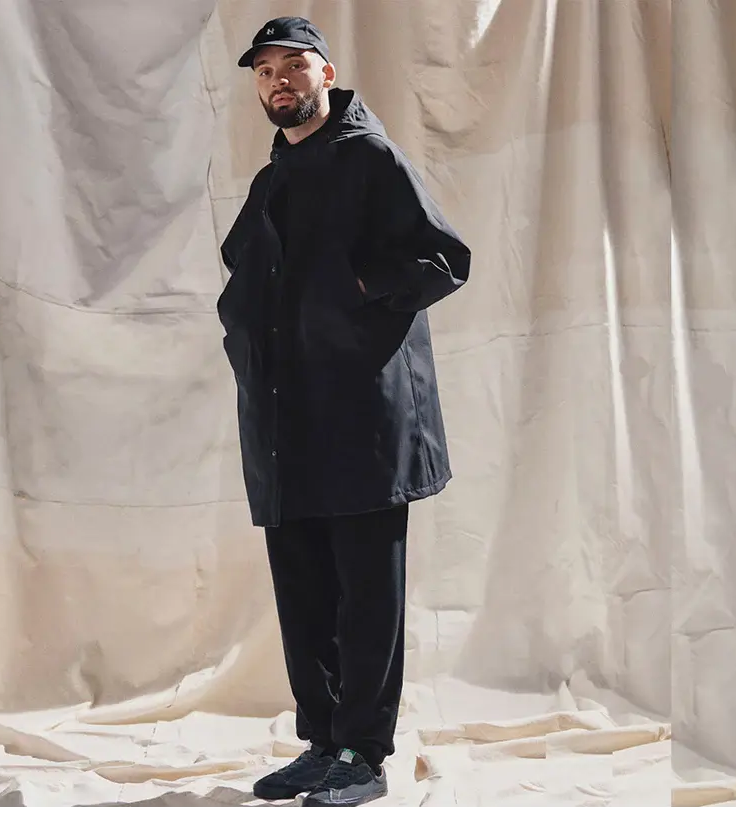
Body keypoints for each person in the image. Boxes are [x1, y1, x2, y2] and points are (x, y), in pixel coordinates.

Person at [216, 16, 471, 809]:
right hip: (286, 422)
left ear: (326, 74)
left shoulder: (369, 157)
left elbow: (444, 258)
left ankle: (363, 751)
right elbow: (242, 269)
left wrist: (356, 290)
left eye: (293, 65)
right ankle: (323, 741)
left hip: (362, 418)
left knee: (365, 593)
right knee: (303, 590)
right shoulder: (274, 178)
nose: (278, 81)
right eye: (264, 71)